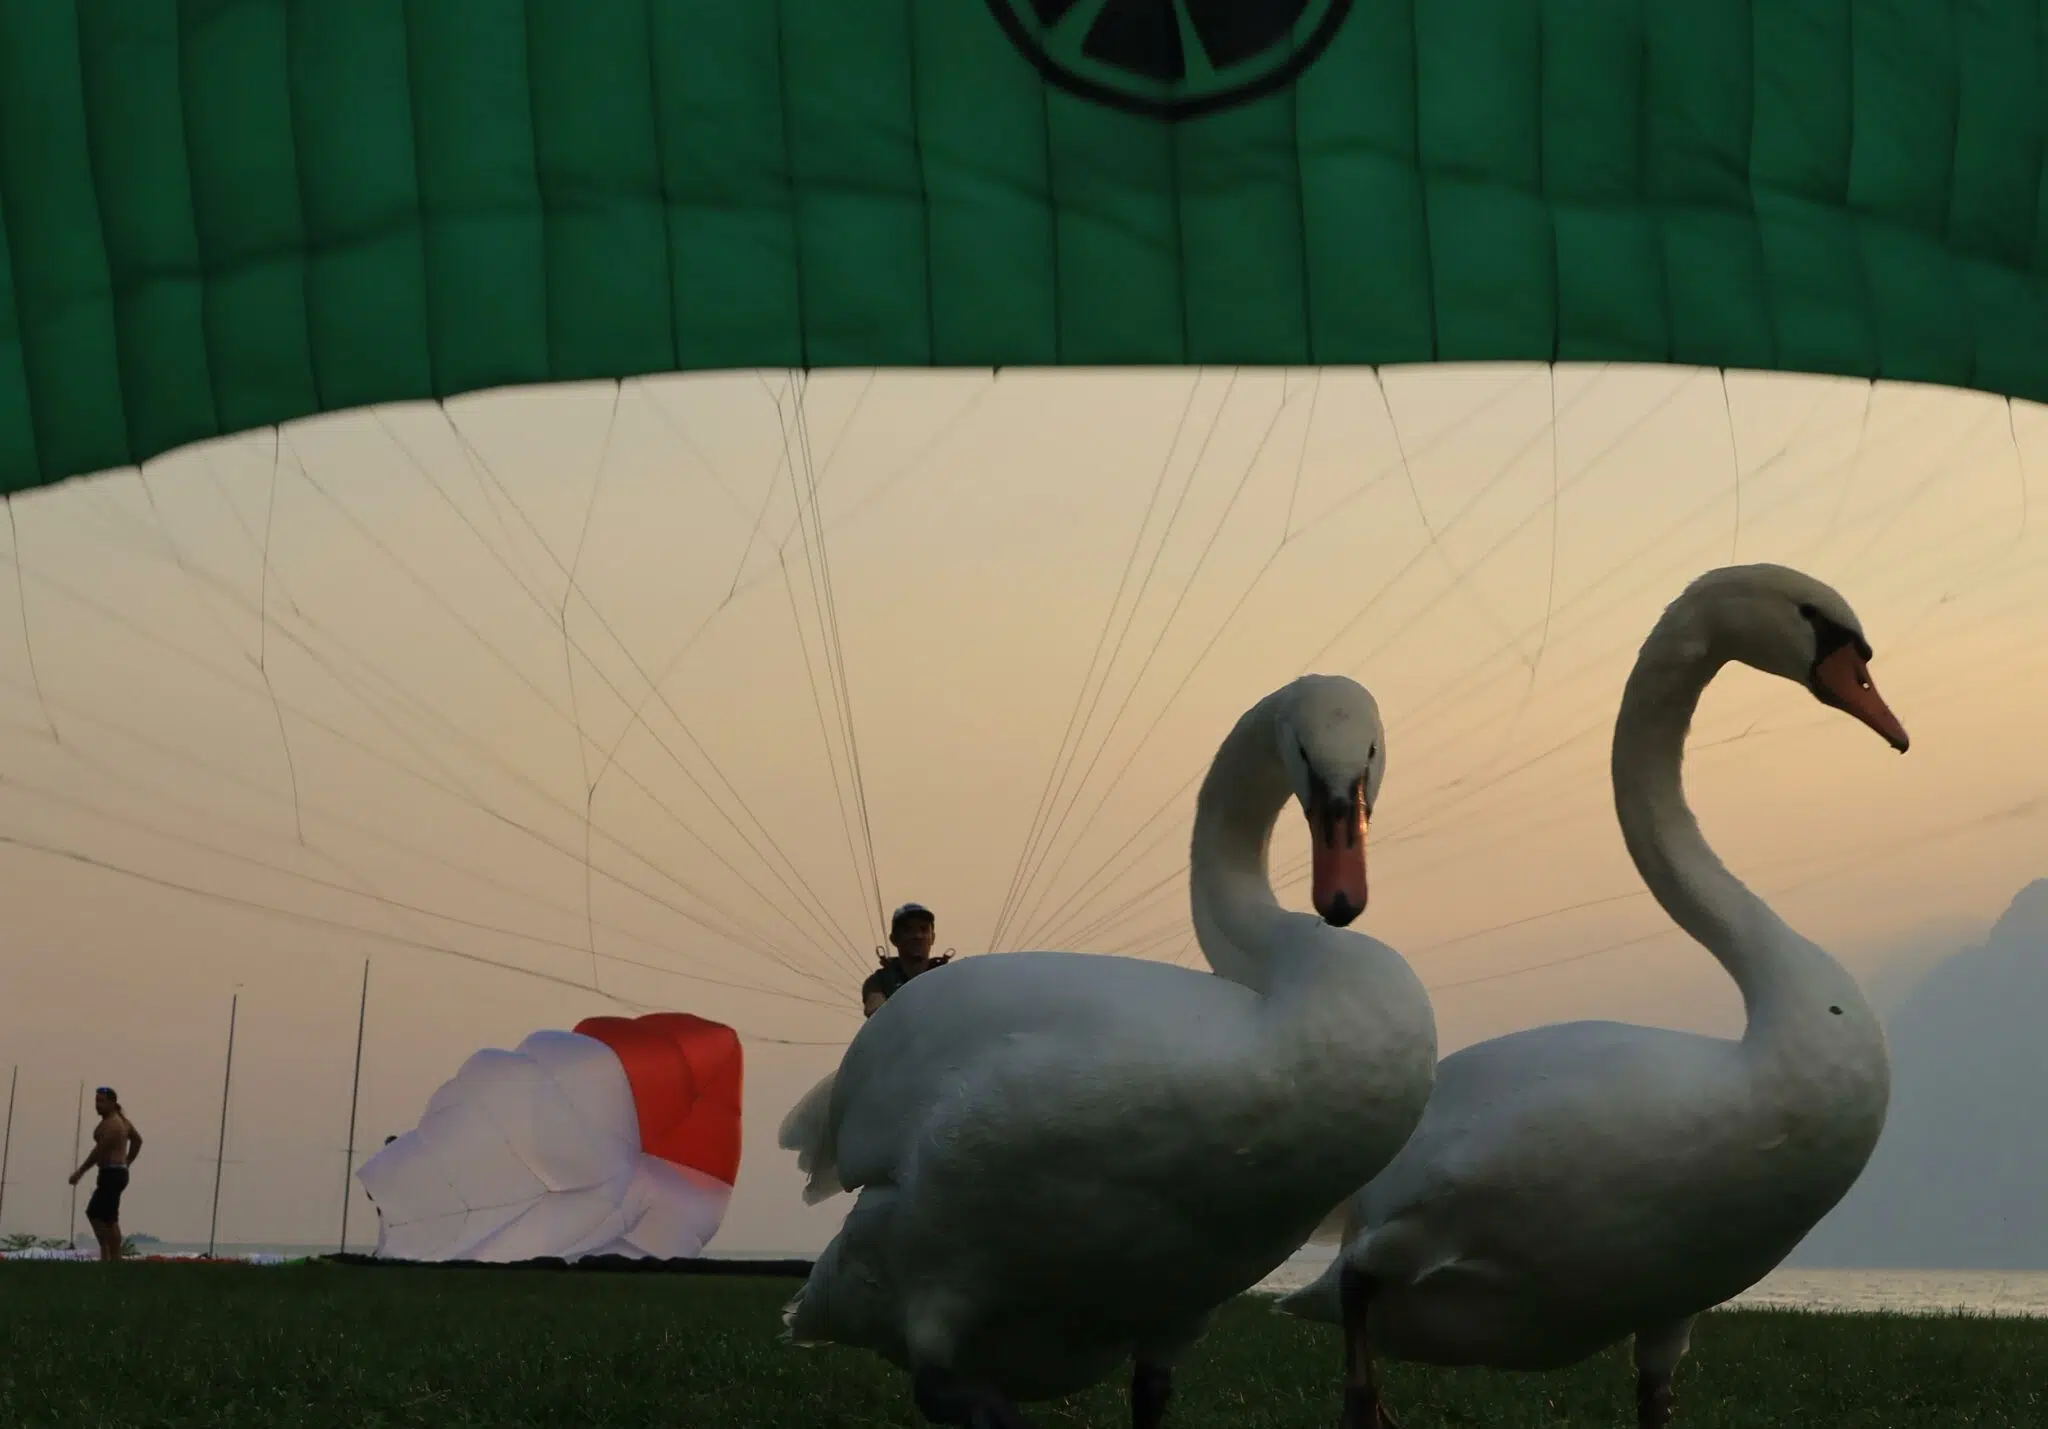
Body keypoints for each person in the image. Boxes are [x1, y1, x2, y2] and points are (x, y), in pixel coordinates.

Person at [67, 1087, 142, 1262]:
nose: (97, 1105)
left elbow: (99, 1151)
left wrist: (80, 1172)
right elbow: (137, 1140)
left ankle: (114, 1256)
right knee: (99, 1214)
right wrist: (127, 1161)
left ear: (112, 1103)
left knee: (106, 1217)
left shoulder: (114, 1124)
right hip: (112, 1172)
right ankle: (107, 1251)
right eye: (96, 1101)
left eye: (101, 1101)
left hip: (113, 1173)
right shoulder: (120, 1121)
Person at [861, 902, 952, 1018]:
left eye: (924, 929)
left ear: (932, 938)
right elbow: (877, 1015)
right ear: (894, 939)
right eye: (909, 930)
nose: (918, 936)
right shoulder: (878, 982)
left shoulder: (946, 977)